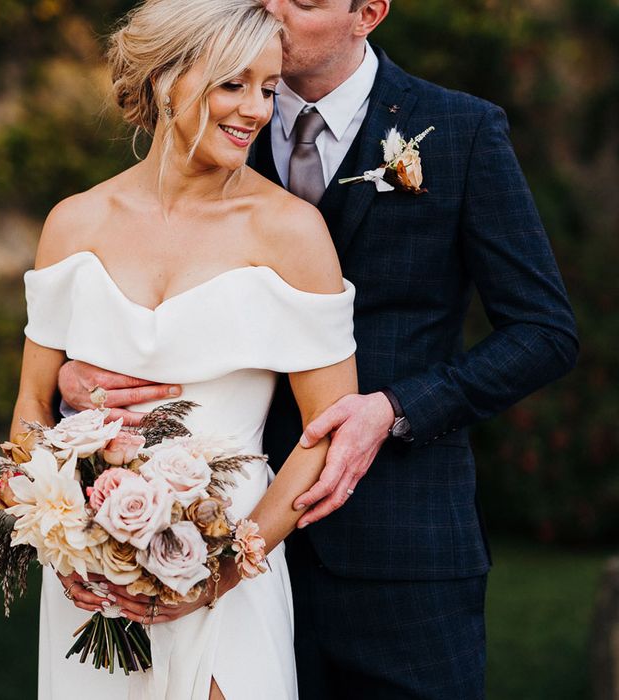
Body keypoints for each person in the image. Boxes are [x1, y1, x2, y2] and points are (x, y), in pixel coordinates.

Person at [60, 0, 579, 698]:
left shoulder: (459, 131)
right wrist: (82, 374)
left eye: (301, 0)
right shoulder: (210, 115)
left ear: (368, 11)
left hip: (398, 546)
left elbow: (543, 332)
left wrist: (395, 408)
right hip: (206, 531)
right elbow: (121, 270)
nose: (270, 8)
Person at [13, 1, 359, 698]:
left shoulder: (291, 232)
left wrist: (222, 572)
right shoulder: (73, 223)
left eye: (268, 88)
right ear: (168, 78)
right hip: (90, 580)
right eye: (233, 83)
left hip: (230, 560)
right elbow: (31, 405)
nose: (256, 111)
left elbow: (326, 434)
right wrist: (59, 529)